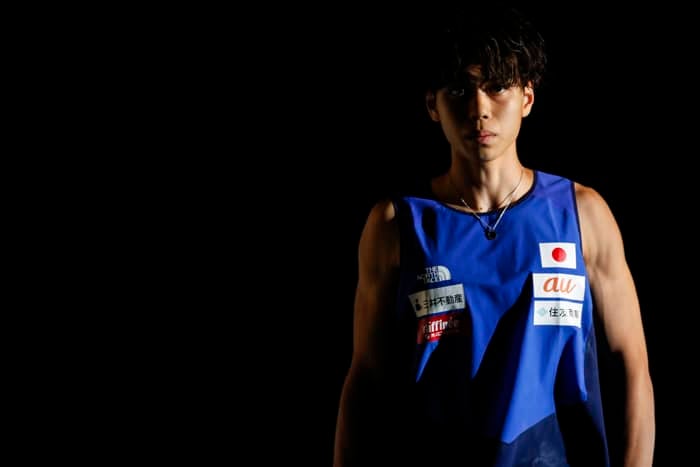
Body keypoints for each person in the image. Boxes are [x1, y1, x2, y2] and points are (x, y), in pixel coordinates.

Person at [333, 4, 655, 466]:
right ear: (433, 105)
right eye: (460, 90)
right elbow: (364, 377)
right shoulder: (394, 225)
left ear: (527, 98)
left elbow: (633, 366)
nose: (479, 109)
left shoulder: (583, 214)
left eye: (498, 87)